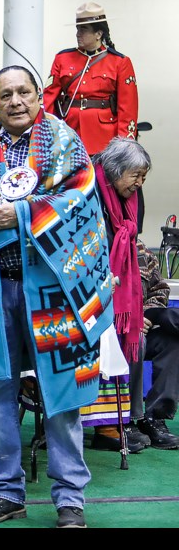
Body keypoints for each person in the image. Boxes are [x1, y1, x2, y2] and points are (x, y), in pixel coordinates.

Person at [0, 65, 117, 529]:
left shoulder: (64, 142)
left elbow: (79, 202)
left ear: (40, 96)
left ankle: (69, 498)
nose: (15, 101)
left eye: (24, 92)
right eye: (5, 94)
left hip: (55, 287)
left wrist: (17, 215)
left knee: (61, 396)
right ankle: (5, 492)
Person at [81, 137, 151, 454]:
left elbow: (136, 252)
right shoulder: (87, 190)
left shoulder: (134, 197)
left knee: (142, 333)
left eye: (144, 177)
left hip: (125, 291)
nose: (139, 184)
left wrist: (142, 307)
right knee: (114, 333)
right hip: (89, 290)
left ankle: (131, 420)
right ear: (114, 169)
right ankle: (108, 426)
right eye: (135, 175)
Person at [42, 2, 139, 157]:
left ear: (98, 34)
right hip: (68, 134)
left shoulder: (119, 62)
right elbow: (48, 98)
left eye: (83, 29)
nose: (78, 33)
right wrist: (48, 132)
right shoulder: (63, 58)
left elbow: (127, 109)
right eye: (77, 29)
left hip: (104, 138)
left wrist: (124, 146)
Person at [133, 239, 179, 450]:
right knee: (136, 341)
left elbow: (159, 289)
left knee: (172, 341)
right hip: (109, 331)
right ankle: (122, 419)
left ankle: (154, 417)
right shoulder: (95, 244)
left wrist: (148, 316)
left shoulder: (140, 248)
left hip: (142, 325)